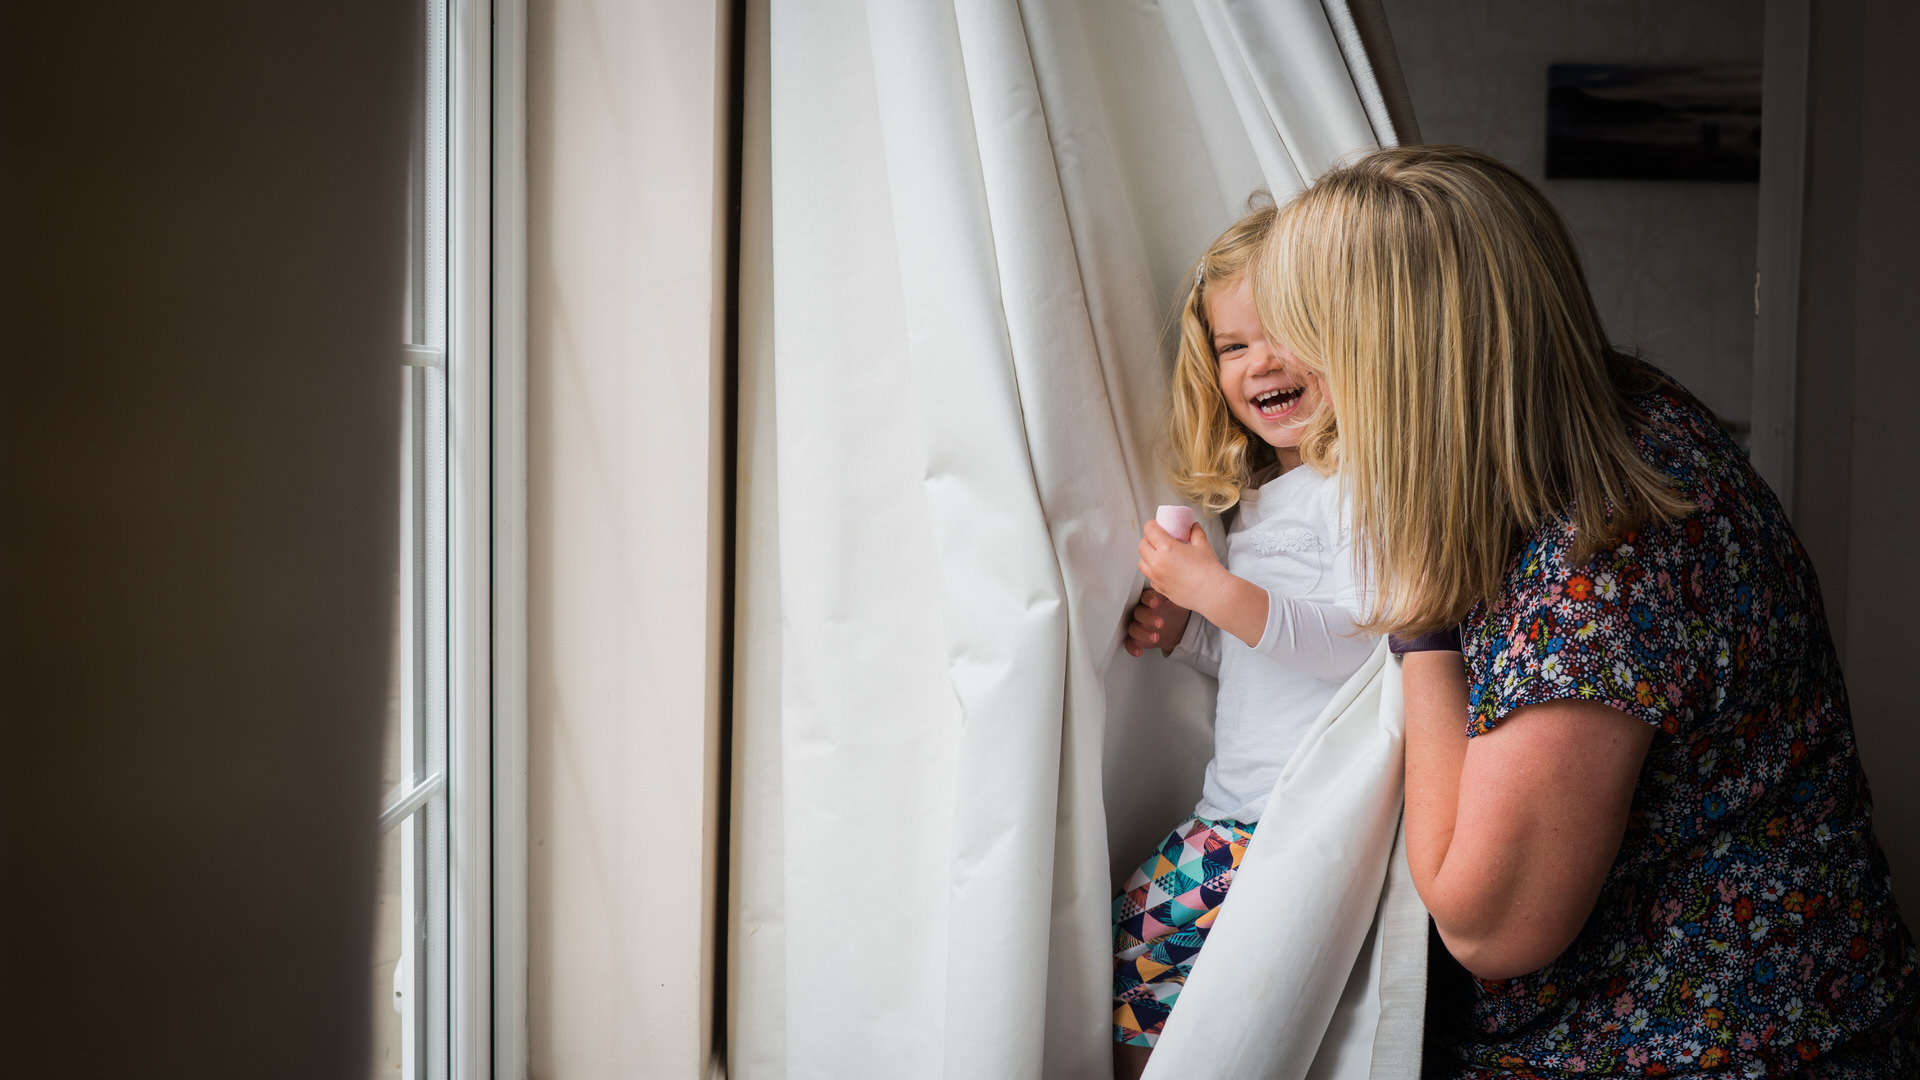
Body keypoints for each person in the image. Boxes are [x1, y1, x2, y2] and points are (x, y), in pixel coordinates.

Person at [1253, 143, 1919, 1077]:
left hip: (1709, 1050)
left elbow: (1488, 929)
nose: (1301, 379)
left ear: (1394, 364)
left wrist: (1423, 621)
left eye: (1314, 349)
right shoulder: (1626, 410)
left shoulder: (1600, 571)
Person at [1112, 204, 1379, 1080]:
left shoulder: (1358, 488)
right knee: (1139, 984)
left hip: (1278, 827)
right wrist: (1194, 629)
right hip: (1231, 814)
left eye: (1287, 333)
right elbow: (1267, 655)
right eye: (1233, 346)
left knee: (1146, 978)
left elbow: (1360, 646)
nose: (1260, 360)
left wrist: (1215, 590)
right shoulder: (1267, 493)